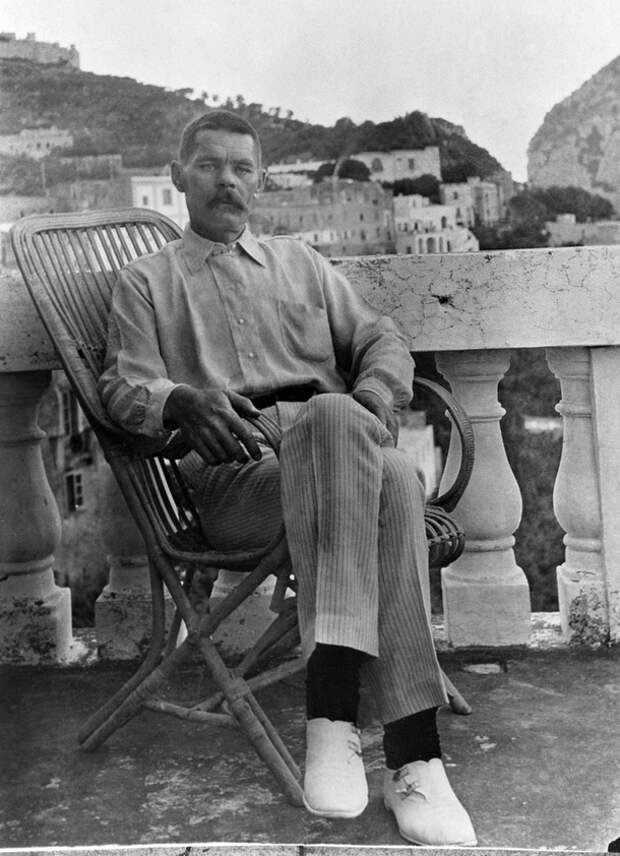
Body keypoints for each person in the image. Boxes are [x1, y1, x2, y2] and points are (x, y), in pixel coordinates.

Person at [98, 110, 476, 846]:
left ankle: (344, 723)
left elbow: (383, 338)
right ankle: (412, 754)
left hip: (338, 445)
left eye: (242, 168)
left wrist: (373, 398)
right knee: (393, 478)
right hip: (238, 477)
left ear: (261, 181)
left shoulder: (302, 264)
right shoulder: (146, 283)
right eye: (209, 166)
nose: (227, 181)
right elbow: (121, 386)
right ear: (178, 178)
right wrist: (178, 399)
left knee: (349, 433)